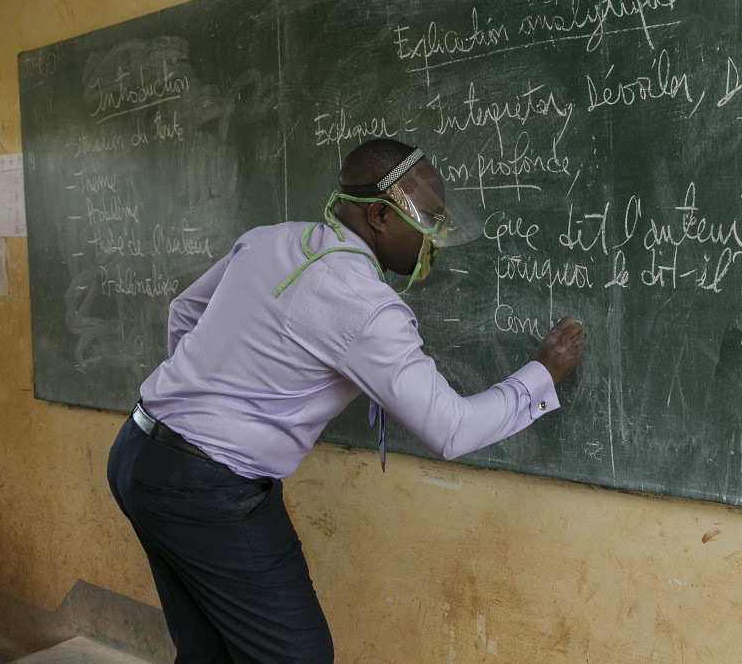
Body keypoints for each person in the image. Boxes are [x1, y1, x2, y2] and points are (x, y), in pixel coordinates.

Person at [106, 138, 585, 663]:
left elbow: (183, 312)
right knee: (299, 656)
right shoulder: (364, 305)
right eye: (428, 220)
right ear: (380, 215)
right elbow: (451, 430)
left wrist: (198, 407)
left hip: (138, 452)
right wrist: (542, 374)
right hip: (209, 488)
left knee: (208, 652)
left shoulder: (272, 240)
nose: (435, 241)